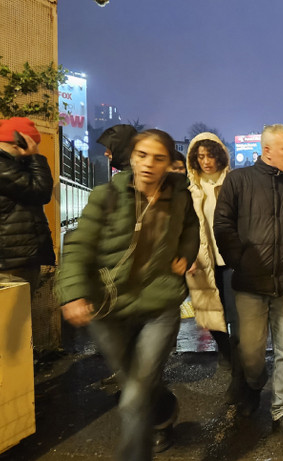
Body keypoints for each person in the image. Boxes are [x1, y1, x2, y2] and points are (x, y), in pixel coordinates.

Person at [57, 129, 200, 459]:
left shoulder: (180, 196)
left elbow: (191, 228)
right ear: (132, 157)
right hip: (110, 309)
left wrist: (187, 253)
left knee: (134, 396)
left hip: (159, 306)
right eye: (142, 155)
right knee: (139, 383)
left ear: (169, 163)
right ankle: (164, 412)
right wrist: (73, 294)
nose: (149, 164)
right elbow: (78, 246)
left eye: (159, 158)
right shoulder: (105, 196)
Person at [213, 124, 283, 443]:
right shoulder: (239, 180)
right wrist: (240, 260)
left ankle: (282, 411)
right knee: (251, 353)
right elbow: (222, 224)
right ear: (268, 149)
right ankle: (253, 384)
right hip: (250, 283)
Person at [184, 132, 243, 401]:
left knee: (236, 317)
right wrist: (188, 255)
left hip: (232, 261)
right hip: (203, 261)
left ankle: (241, 373)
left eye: (210, 155)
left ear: (221, 155)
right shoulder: (190, 188)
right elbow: (186, 227)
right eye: (200, 156)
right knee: (210, 315)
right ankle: (227, 354)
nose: (206, 161)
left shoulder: (235, 182)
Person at [0, 117, 55, 299]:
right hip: (11, 263)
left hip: (15, 259)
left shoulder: (10, 165)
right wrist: (35, 157)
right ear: (21, 142)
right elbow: (41, 191)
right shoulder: (3, 166)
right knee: (15, 322)